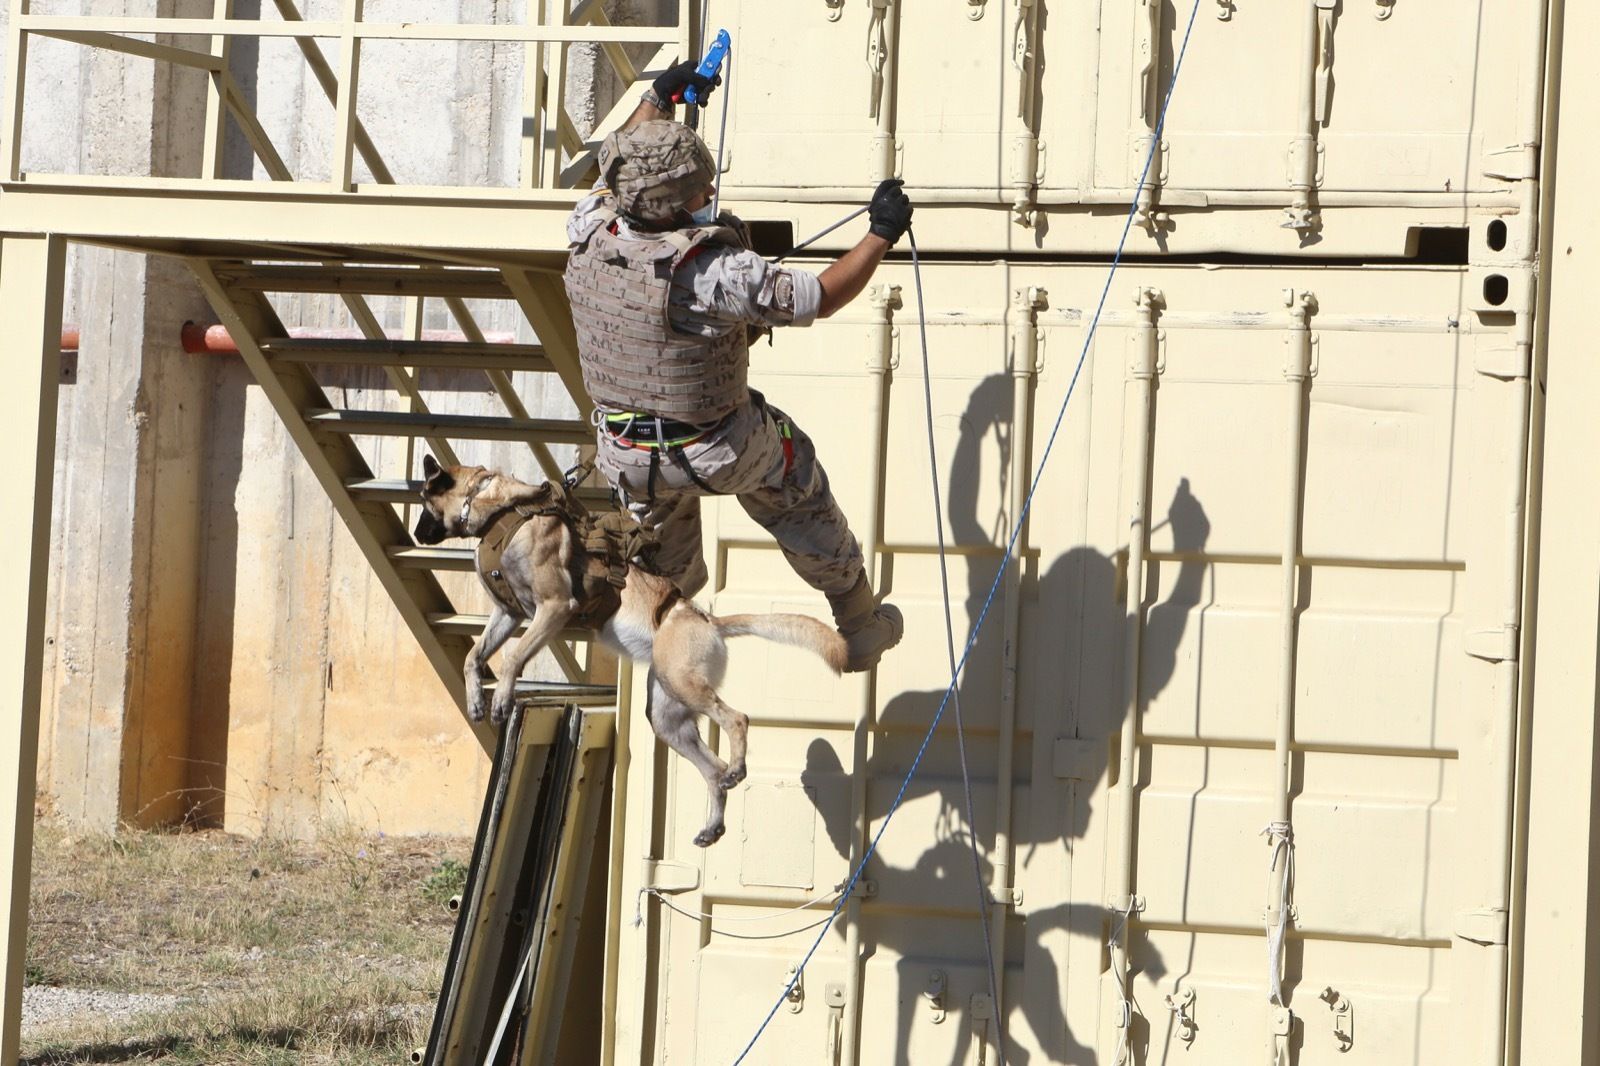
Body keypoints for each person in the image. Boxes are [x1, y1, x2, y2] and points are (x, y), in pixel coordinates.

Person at [562, 60, 913, 672]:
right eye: (699, 191)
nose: (708, 197)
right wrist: (880, 233)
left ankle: (669, 662)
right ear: (674, 205)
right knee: (792, 476)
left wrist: (658, 99)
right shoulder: (712, 274)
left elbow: (613, 172)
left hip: (628, 455)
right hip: (717, 447)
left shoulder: (588, 228)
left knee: (663, 578)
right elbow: (821, 296)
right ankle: (857, 621)